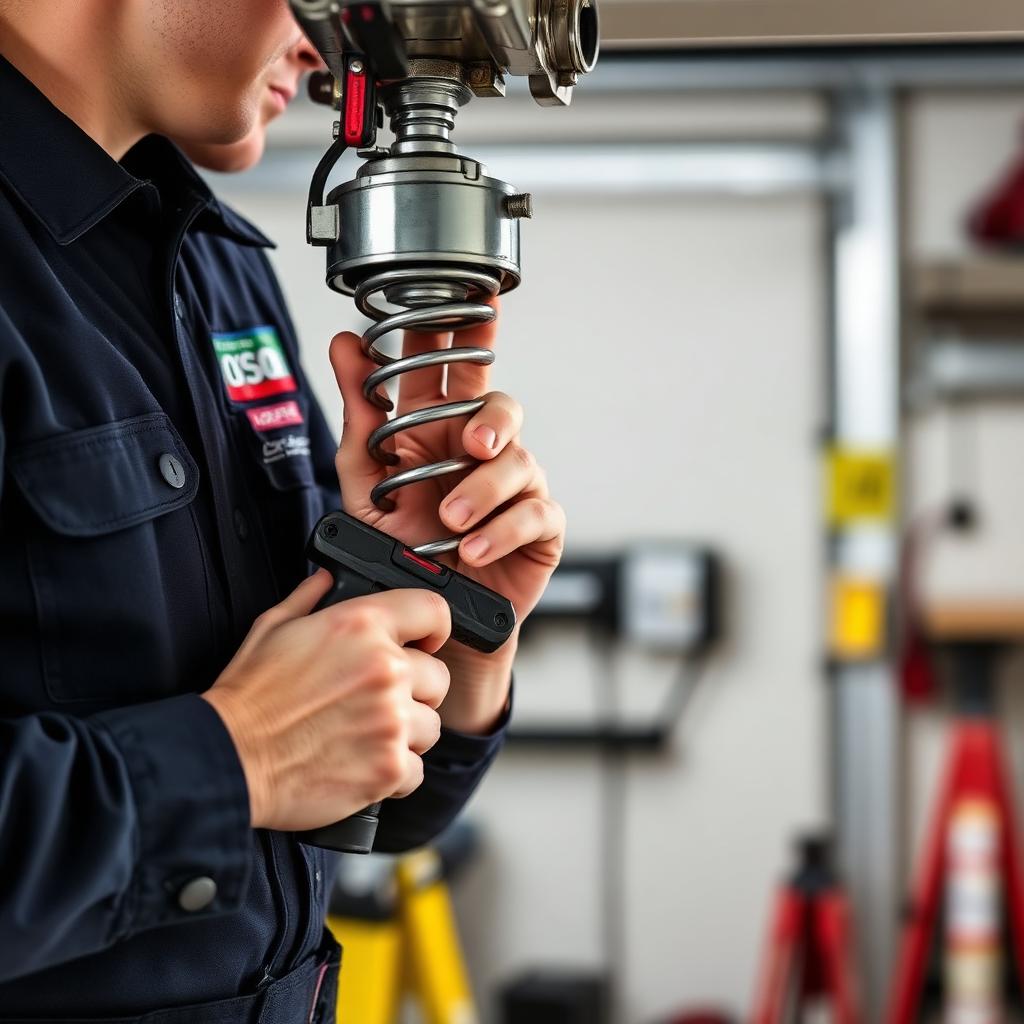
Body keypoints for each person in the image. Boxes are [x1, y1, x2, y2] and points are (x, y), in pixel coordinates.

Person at [0, 2, 565, 1020]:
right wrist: (235, 759)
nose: (322, 43)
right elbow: (258, 761)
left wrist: (444, 630)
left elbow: (351, 812)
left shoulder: (216, 265)